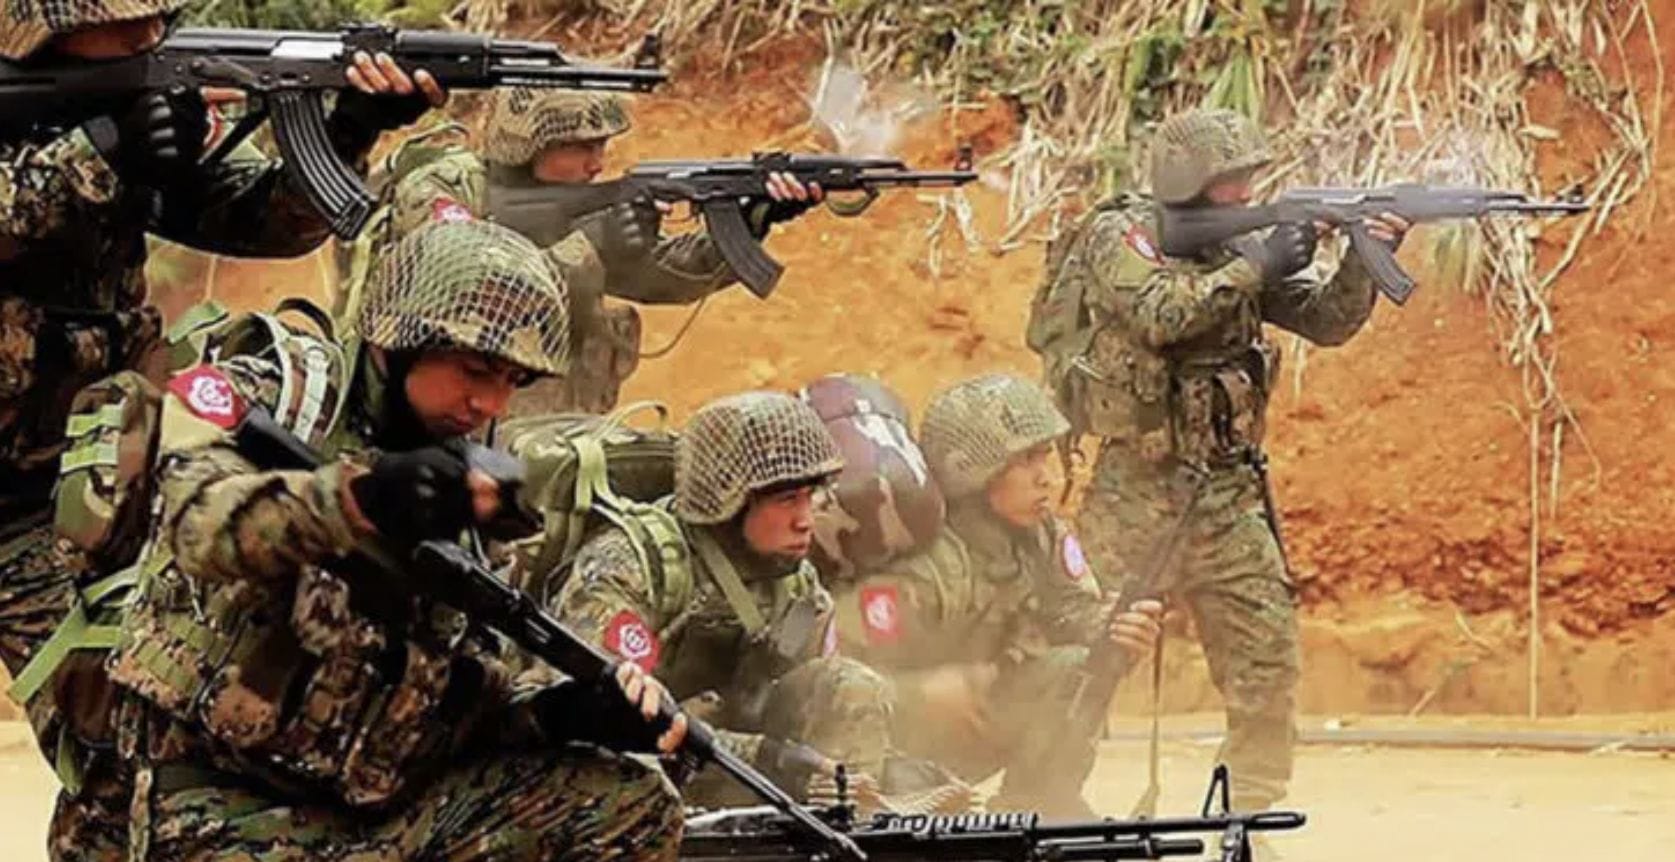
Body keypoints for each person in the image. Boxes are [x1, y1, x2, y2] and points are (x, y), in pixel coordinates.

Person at [0, 3, 448, 858]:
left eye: (157, 23)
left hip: (76, 493)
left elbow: (251, 223)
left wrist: (349, 129)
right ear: (44, 32)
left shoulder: (118, 111)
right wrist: (93, 156)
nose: (148, 42)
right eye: (126, 29)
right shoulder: (67, 122)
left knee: (124, 732)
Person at [101, 218, 686, 861]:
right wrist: (357, 500)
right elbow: (199, 524)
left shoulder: (469, 486)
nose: (489, 403)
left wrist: (558, 714)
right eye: (476, 369)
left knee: (628, 800)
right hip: (221, 810)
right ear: (401, 340)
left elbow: (460, 701)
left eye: (512, 382)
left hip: (369, 817)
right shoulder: (282, 390)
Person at [1027, 107, 1409, 820]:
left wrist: (1360, 252)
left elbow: (1324, 321)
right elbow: (1161, 315)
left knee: (1266, 666)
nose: (1244, 194)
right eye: (1231, 182)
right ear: (1187, 179)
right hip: (1133, 491)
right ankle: (1042, 796)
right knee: (1085, 652)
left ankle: (1246, 815)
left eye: (1248, 180)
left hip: (1227, 497)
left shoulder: (1243, 244)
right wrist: (1257, 262)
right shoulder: (1122, 235)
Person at [535, 391, 921, 808]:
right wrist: (761, 758)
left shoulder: (797, 587)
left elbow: (817, 702)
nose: (806, 519)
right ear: (728, 499)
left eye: (811, 496)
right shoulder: (635, 565)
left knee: (852, 687)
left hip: (726, 769)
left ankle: (846, 829)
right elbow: (596, 720)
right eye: (787, 499)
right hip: (628, 773)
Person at [341, 88, 821, 412]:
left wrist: (751, 219)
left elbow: (668, 276)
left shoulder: (578, 213)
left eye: (603, 145)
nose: (598, 163)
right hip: (445, 420)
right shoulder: (445, 188)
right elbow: (466, 303)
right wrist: (592, 248)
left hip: (558, 424)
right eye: (580, 146)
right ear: (526, 142)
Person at [831, 373, 1162, 818]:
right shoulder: (924, 566)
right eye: (1025, 460)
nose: (1046, 477)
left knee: (1079, 668)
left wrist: (1114, 629)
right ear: (971, 471)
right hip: (889, 748)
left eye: (1046, 454)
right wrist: (921, 694)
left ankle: (1040, 805)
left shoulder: (1040, 536)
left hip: (977, 719)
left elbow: (1071, 611)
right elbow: (833, 679)